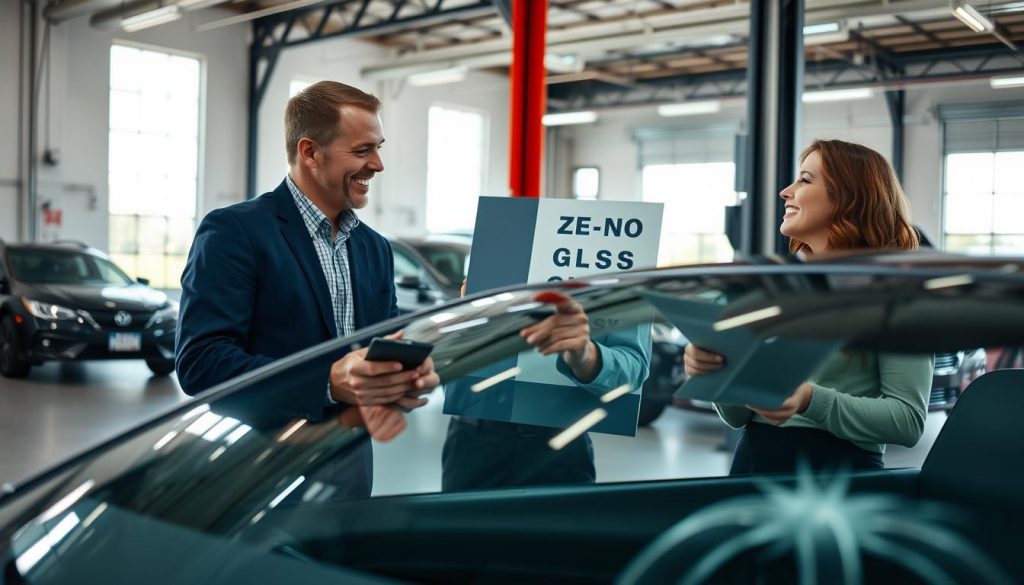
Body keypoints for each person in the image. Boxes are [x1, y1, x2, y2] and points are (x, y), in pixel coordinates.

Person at [175, 81, 439, 497]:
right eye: (362, 150)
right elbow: (202, 363)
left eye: (378, 148)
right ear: (310, 152)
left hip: (351, 462)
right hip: (259, 467)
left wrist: (404, 375)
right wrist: (326, 382)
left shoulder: (374, 248)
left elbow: (383, 343)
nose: (377, 165)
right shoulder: (235, 232)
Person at [684, 139, 933, 474]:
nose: (785, 191)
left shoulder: (896, 297)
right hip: (752, 467)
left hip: (836, 479)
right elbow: (736, 416)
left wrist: (809, 400)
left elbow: (907, 421)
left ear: (847, 197)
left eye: (804, 180)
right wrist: (715, 370)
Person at [441, 287, 651, 491]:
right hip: (470, 439)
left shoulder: (621, 267)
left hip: (559, 445)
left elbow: (634, 368)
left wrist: (585, 355)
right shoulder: (489, 258)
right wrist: (467, 314)